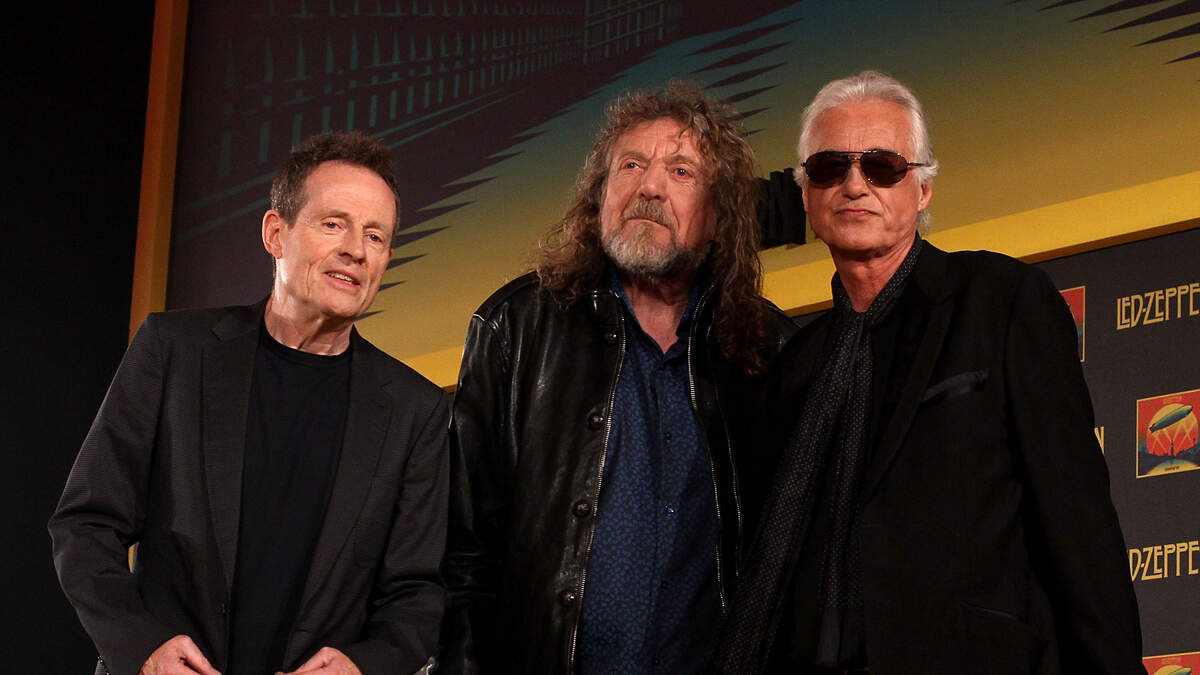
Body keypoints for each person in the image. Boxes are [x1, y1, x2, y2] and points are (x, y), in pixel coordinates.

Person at [717, 70, 1144, 675]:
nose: (854, 185)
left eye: (883, 167)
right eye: (830, 168)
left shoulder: (1000, 301)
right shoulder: (796, 364)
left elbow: (1078, 525)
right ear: (806, 195)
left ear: (922, 190)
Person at [49, 132, 448, 675]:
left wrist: (363, 665)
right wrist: (141, 647)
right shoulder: (174, 351)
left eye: (375, 236)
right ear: (275, 233)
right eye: (334, 224)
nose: (356, 249)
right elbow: (86, 523)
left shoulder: (416, 410)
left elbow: (417, 592)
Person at [440, 82, 795, 673]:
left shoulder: (771, 350)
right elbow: (462, 556)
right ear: (599, 196)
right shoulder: (516, 328)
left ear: (718, 218)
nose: (649, 186)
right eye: (630, 165)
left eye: (681, 171)